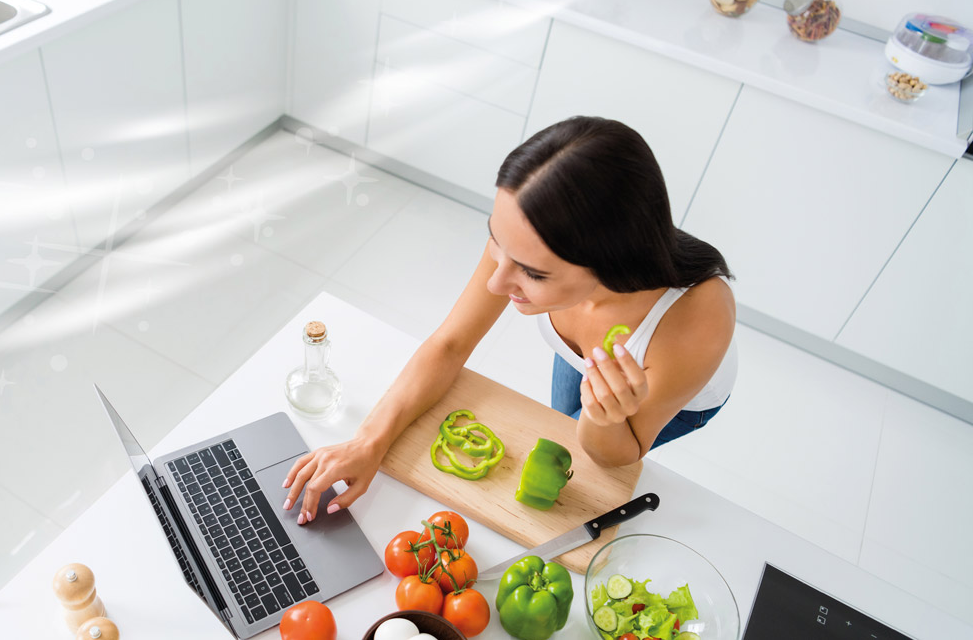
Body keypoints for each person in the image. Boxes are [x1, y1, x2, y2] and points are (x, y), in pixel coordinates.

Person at [282, 116, 737, 525]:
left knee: (587, 440)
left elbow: (621, 453)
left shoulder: (699, 318)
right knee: (565, 421)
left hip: (675, 395)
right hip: (589, 364)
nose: (497, 283)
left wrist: (602, 419)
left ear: (609, 265)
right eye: (495, 241)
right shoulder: (523, 235)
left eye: (533, 274)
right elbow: (450, 344)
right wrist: (368, 443)